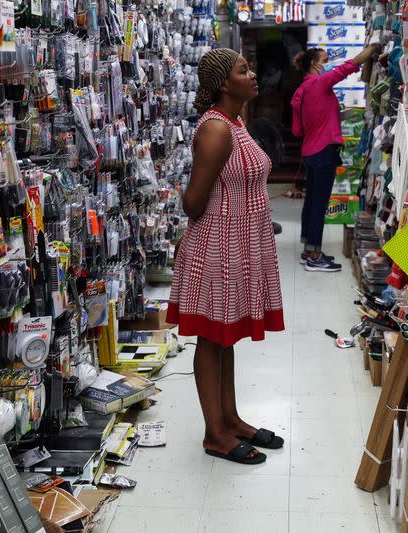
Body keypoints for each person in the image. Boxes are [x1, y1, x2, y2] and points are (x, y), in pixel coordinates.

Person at [166, 48, 285, 466]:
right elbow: (193, 203)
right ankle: (214, 434)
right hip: (217, 246)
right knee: (211, 338)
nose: (253, 75)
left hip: (238, 244)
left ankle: (230, 419)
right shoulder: (217, 130)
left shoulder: (237, 122)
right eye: (243, 70)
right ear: (222, 83)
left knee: (225, 336)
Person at [291, 44, 377, 272]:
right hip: (323, 152)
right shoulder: (320, 83)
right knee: (319, 204)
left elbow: (297, 131)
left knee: (311, 202)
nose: (328, 63)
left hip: (310, 151)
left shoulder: (301, 90)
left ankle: (308, 248)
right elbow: (347, 67)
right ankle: (315, 257)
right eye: (325, 59)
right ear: (314, 63)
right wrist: (369, 51)